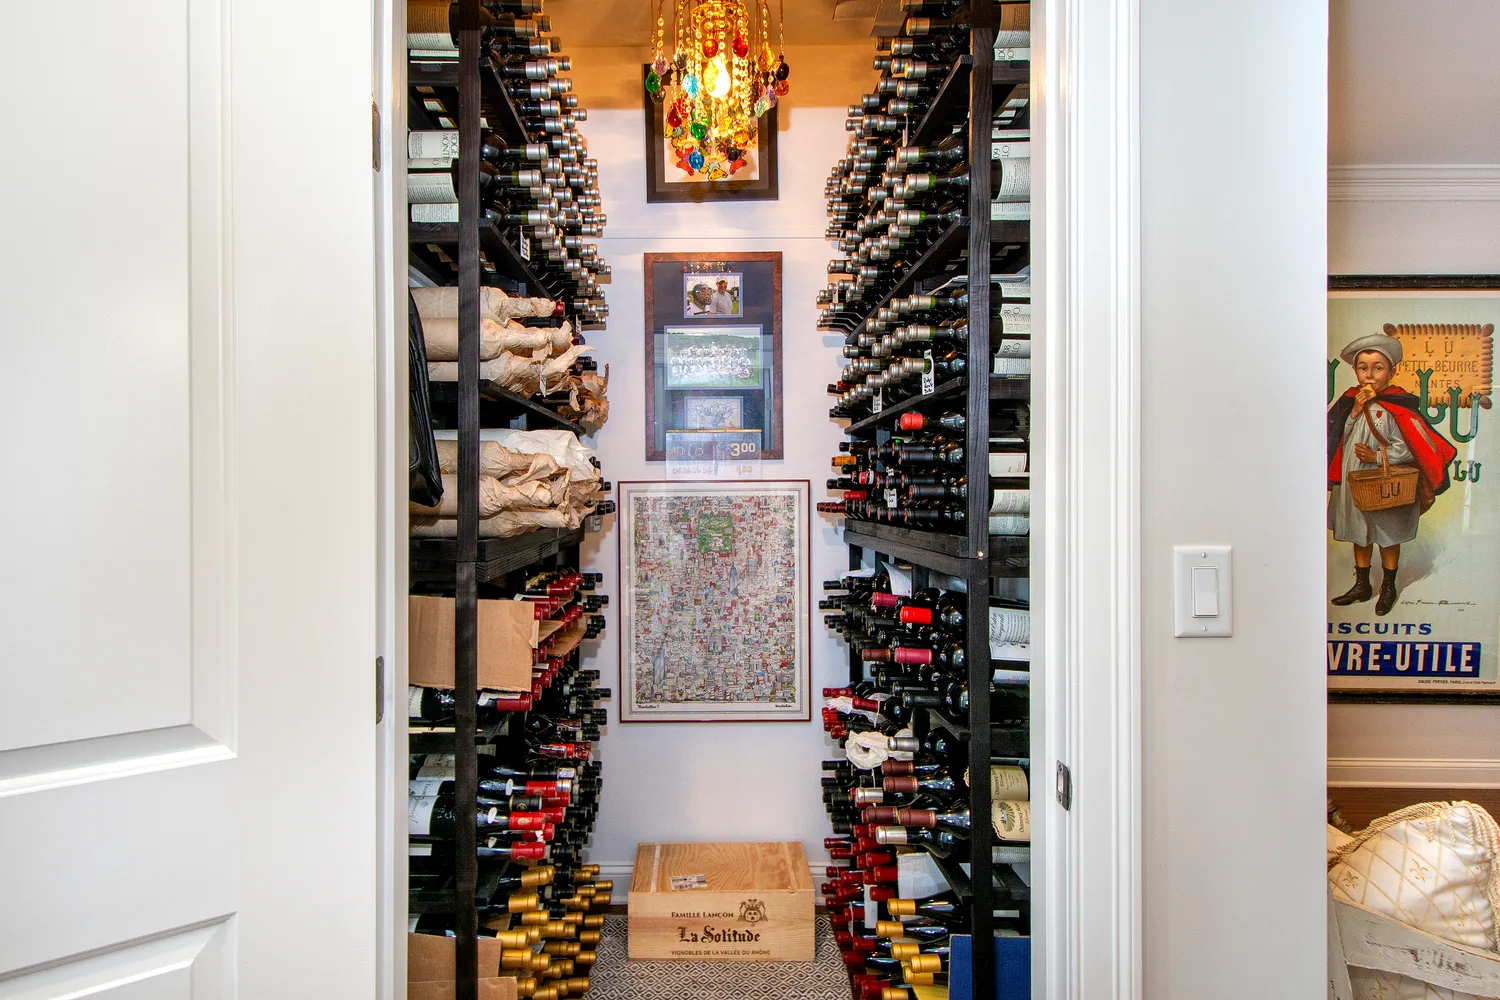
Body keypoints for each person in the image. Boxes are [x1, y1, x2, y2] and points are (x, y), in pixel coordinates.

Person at [1327, 332, 1456, 616]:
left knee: (1387, 535)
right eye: (1363, 368)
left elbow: (1410, 447)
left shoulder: (1398, 405)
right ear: (1355, 370)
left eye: (1378, 368)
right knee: (1359, 533)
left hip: (1388, 484)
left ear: (1391, 372)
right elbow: (1338, 436)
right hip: (1354, 480)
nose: (1369, 375)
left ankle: (1388, 586)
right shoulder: (1350, 401)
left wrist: (1377, 457)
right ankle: (1362, 585)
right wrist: (1355, 411)